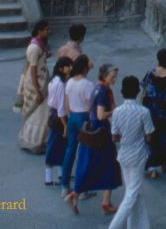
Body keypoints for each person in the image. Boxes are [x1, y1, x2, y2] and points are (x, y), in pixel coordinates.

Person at [69, 64, 121, 214]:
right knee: (110, 165)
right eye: (112, 76)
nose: (115, 79)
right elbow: (101, 115)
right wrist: (115, 110)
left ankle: (76, 194)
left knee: (89, 164)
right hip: (102, 131)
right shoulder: (104, 91)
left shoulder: (97, 87)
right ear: (104, 76)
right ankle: (106, 203)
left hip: (93, 130)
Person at [109, 76, 154, 229]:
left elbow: (114, 137)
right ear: (137, 91)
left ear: (122, 92)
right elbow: (149, 136)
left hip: (124, 155)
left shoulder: (117, 112)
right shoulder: (144, 112)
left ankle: (139, 225)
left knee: (133, 191)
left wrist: (126, 135)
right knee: (132, 194)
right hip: (138, 156)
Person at [141, 49, 166, 177]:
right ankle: (165, 163)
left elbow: (144, 90)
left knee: (152, 138)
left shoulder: (150, 72)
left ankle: (151, 167)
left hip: (151, 112)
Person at [61, 54, 95, 198]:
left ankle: (65, 186)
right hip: (83, 117)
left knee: (70, 151)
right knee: (84, 153)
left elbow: (67, 103)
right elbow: (90, 106)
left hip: (73, 117)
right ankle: (83, 189)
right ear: (85, 68)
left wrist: (70, 117)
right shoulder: (88, 85)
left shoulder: (69, 82)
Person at [18, 20, 51, 153]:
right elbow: (32, 70)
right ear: (40, 31)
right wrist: (38, 91)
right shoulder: (34, 47)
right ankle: (32, 143)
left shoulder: (40, 45)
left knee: (42, 114)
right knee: (36, 113)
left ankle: (40, 141)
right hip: (35, 84)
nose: (48, 32)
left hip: (41, 81)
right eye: (46, 29)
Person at [44, 56, 73, 185]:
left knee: (56, 145)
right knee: (58, 145)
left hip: (53, 115)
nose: (70, 68)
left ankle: (59, 174)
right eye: (68, 66)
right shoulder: (61, 84)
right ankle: (50, 177)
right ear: (62, 68)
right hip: (59, 118)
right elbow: (61, 107)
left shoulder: (54, 80)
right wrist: (65, 125)